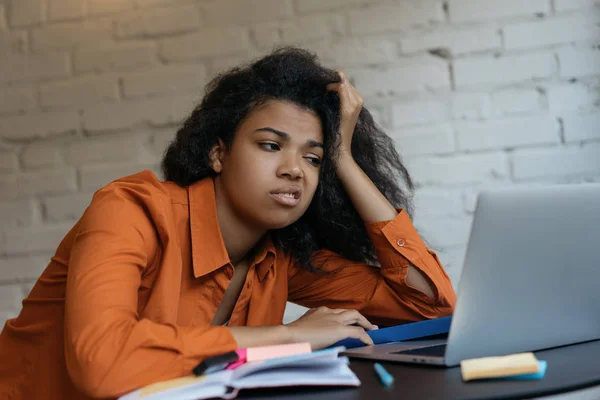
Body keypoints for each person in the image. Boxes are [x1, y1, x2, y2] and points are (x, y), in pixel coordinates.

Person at [0, 47, 455, 399]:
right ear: (219, 153)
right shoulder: (130, 212)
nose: (295, 169)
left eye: (312, 157)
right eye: (271, 146)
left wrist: (344, 160)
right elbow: (101, 364)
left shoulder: (282, 257)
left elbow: (432, 309)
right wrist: (291, 335)